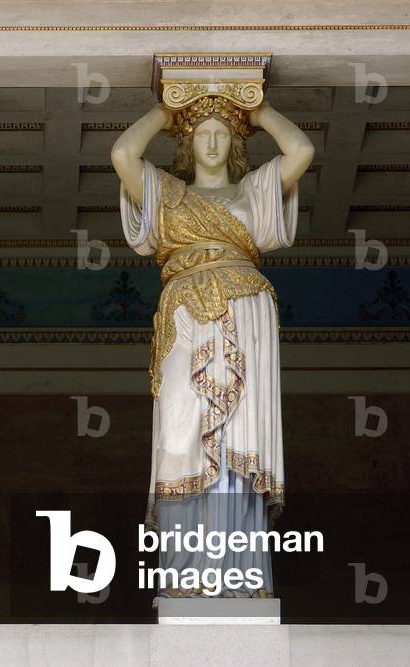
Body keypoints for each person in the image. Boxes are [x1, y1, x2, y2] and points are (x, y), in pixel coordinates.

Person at [111, 97, 314, 598]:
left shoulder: (252, 192)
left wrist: (257, 109)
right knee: (178, 439)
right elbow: (123, 154)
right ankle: (184, 577)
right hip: (185, 312)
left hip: (244, 310)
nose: (212, 141)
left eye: (223, 132)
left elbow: (301, 150)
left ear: (236, 143)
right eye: (202, 132)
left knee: (237, 439)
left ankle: (237, 577)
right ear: (186, 142)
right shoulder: (166, 194)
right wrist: (169, 108)